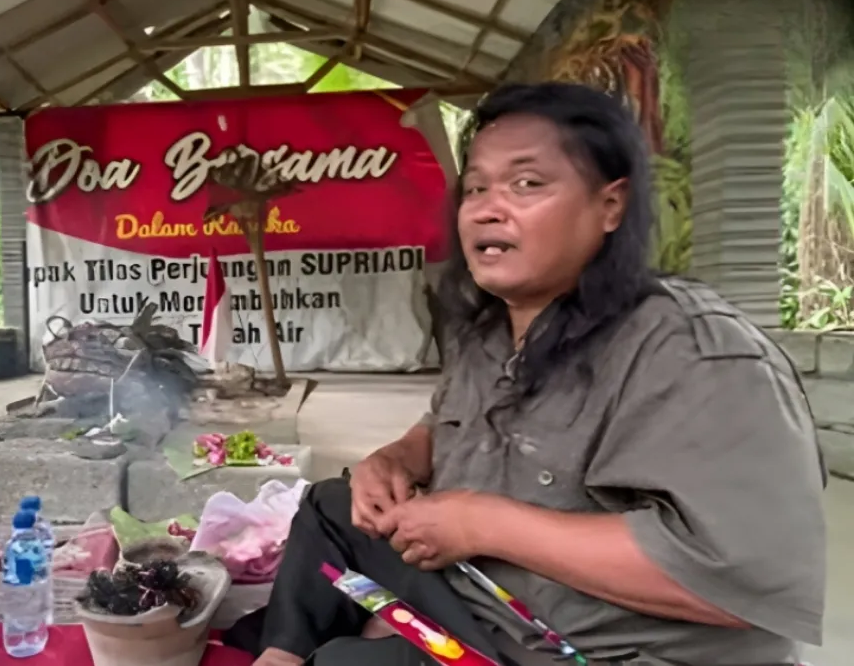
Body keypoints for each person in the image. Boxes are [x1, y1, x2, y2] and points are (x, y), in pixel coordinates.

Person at [242, 83, 828, 666]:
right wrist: (395, 460)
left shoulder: (693, 351)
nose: (488, 207)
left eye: (527, 184)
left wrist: (483, 525)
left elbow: (743, 579)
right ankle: (279, 656)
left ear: (610, 206)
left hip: (591, 651)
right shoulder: (488, 329)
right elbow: (447, 424)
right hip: (482, 599)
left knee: (350, 662)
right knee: (330, 504)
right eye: (476, 187)